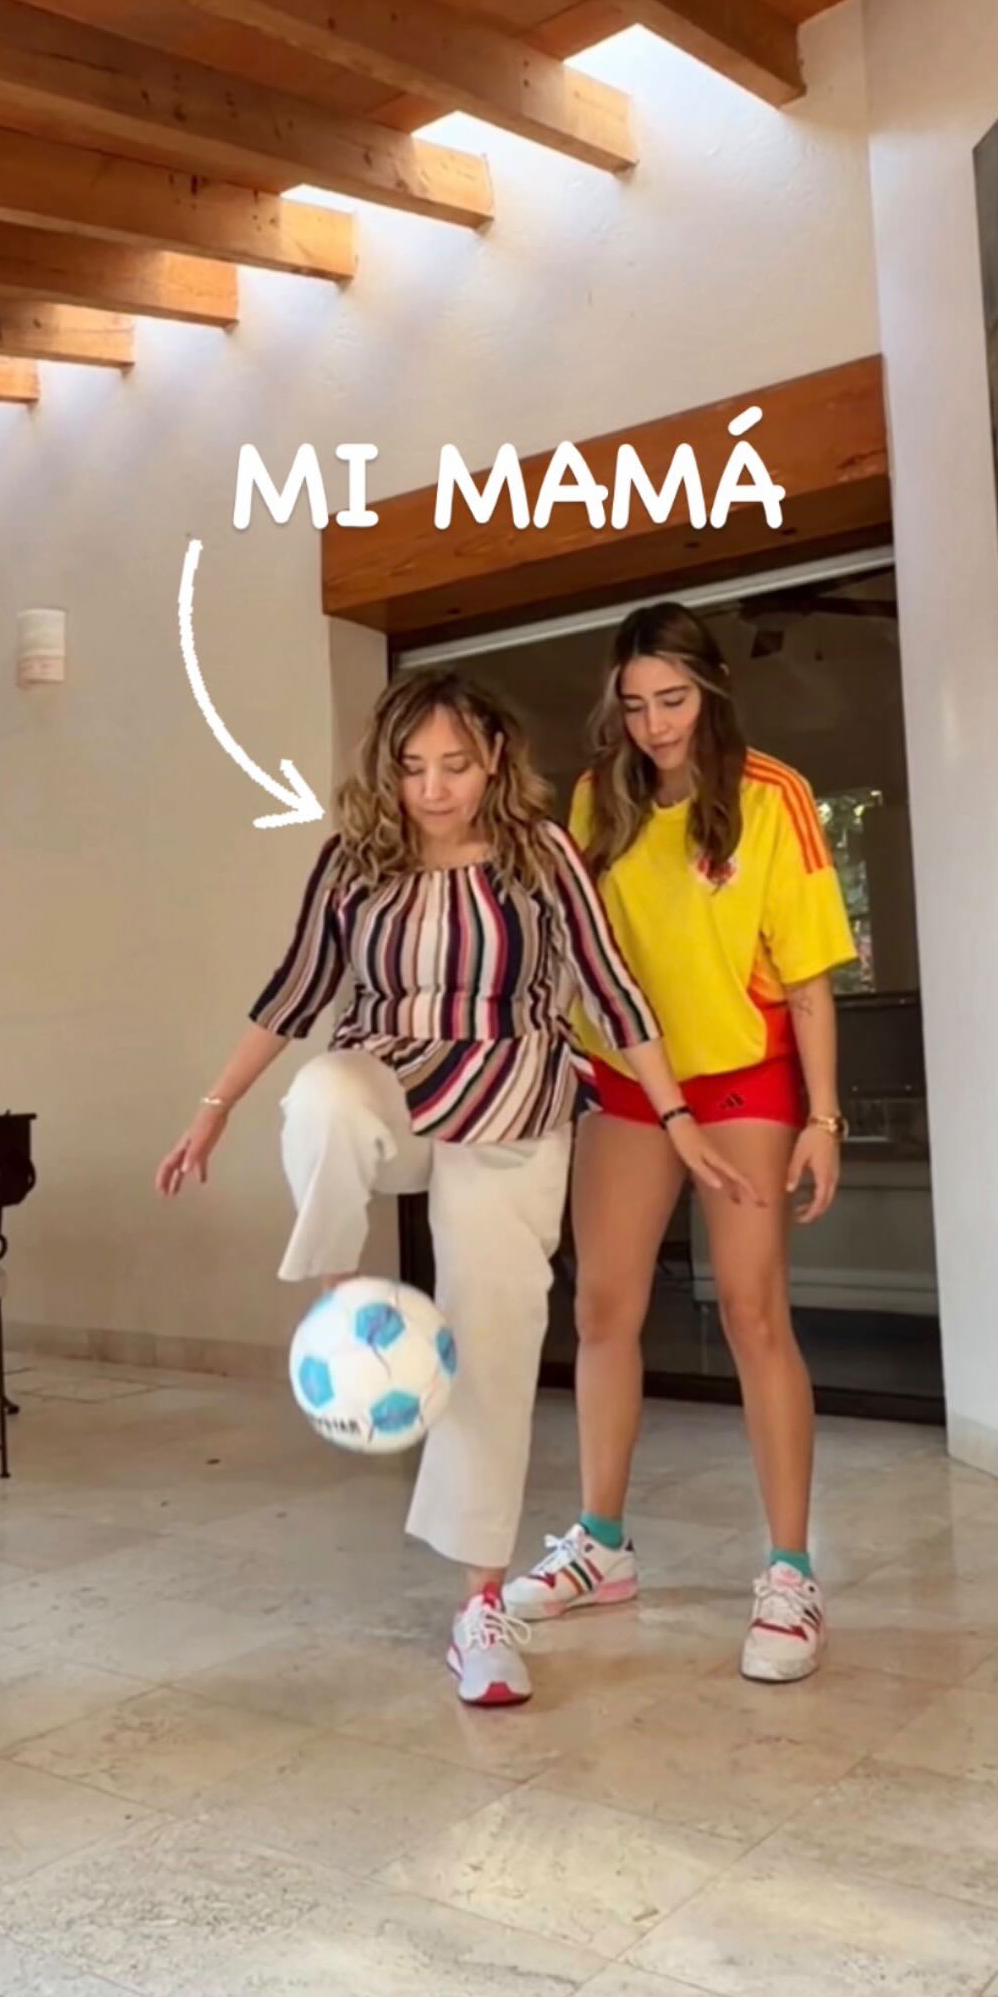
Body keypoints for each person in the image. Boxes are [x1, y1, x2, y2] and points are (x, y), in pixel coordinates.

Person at [156, 667, 756, 1707]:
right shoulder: (352, 861)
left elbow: (613, 988)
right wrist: (212, 1108)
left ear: (493, 763)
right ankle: (342, 1299)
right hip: (391, 1076)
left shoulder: (541, 855)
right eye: (412, 767)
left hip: (512, 1101)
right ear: (385, 770)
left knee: (494, 1337)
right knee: (323, 1097)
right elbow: (296, 988)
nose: (432, 789)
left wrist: (674, 1116)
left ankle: (480, 1605)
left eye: (454, 766)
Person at [507, 602, 855, 1683]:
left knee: (751, 1312)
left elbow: (807, 980)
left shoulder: (772, 796)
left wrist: (823, 1119)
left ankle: (790, 1573)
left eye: (673, 700)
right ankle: (601, 1544)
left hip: (743, 1077)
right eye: (635, 705)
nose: (655, 725)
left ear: (710, 692)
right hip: (625, 1079)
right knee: (601, 1309)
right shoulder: (592, 801)